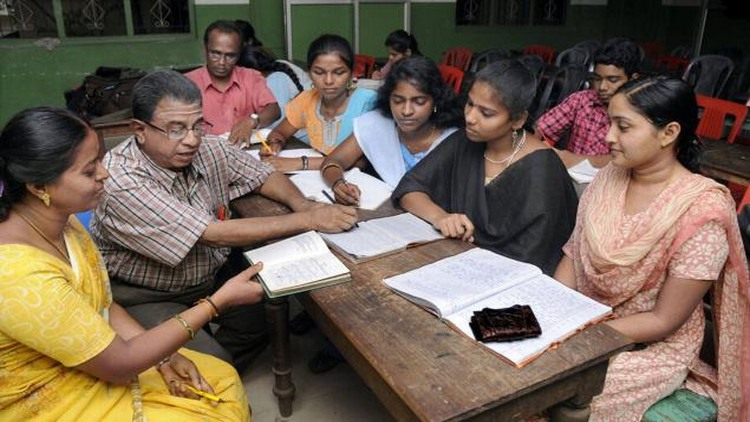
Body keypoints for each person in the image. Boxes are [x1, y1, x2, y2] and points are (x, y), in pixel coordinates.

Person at [0, 106, 259, 420]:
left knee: (220, 376)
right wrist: (216, 304)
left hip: (95, 358)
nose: (104, 173)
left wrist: (164, 359)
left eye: (100, 159)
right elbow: (120, 365)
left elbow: (104, 307)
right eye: (89, 169)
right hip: (49, 392)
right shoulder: (17, 274)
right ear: (39, 186)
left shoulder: (64, 224)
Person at [90, 70, 358, 370]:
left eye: (197, 126)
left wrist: (302, 205)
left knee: (264, 323)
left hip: (208, 276)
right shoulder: (121, 180)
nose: (191, 140)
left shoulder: (208, 148)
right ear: (139, 129)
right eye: (176, 129)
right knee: (212, 368)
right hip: (147, 294)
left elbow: (262, 174)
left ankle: (214, 359)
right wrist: (311, 221)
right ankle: (202, 367)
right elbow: (211, 233)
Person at [553, 76, 749, 421]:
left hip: (649, 346)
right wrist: (551, 310)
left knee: (564, 391)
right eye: (610, 123)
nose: (608, 136)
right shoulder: (608, 178)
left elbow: (663, 320)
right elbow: (574, 253)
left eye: (623, 127)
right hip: (580, 322)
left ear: (668, 133)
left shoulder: (702, 212)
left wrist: (578, 333)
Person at [393, 60, 578, 275]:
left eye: (486, 113)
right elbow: (410, 188)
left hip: (507, 283)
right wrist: (441, 217)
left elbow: (531, 260)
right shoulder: (464, 141)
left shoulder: (542, 171)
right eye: (470, 104)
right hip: (454, 263)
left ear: (518, 120)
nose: (470, 118)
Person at [321, 56, 463, 205]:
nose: (406, 111)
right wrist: (338, 184)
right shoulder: (377, 125)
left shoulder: (453, 140)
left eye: (419, 102)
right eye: (398, 101)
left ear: (436, 101)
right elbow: (334, 161)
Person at [262, 34, 377, 172]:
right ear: (309, 73)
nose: (328, 81)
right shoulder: (307, 99)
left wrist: (301, 163)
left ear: (351, 73)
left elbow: (360, 163)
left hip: (359, 183)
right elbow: (280, 132)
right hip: (316, 179)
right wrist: (274, 144)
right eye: (319, 72)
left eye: (339, 73)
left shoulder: (368, 103)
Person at [535, 37, 641, 168]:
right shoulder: (581, 100)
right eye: (597, 79)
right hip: (572, 176)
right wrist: (538, 144)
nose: (602, 87)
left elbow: (632, 157)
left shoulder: (641, 113)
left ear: (633, 79)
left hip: (613, 180)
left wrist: (576, 159)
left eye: (612, 80)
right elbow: (542, 129)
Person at [186, 20, 281, 145]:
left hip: (244, 152)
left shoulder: (251, 77)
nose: (221, 62)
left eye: (230, 56)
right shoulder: (187, 83)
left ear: (239, 54)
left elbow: (274, 110)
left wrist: (252, 120)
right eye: (215, 54)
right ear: (205, 49)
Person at [238, 45, 305, 132]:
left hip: (297, 136)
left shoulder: (275, 79)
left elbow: (278, 121)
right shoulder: (272, 78)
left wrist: (253, 122)